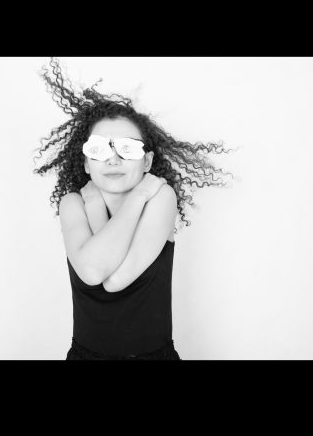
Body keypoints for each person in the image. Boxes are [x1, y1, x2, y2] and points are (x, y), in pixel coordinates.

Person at [32, 58, 237, 360]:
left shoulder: (160, 198)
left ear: (147, 161)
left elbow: (115, 280)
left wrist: (131, 198)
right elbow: (93, 271)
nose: (113, 159)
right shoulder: (73, 203)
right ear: (87, 163)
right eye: (100, 149)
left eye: (127, 149)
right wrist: (126, 197)